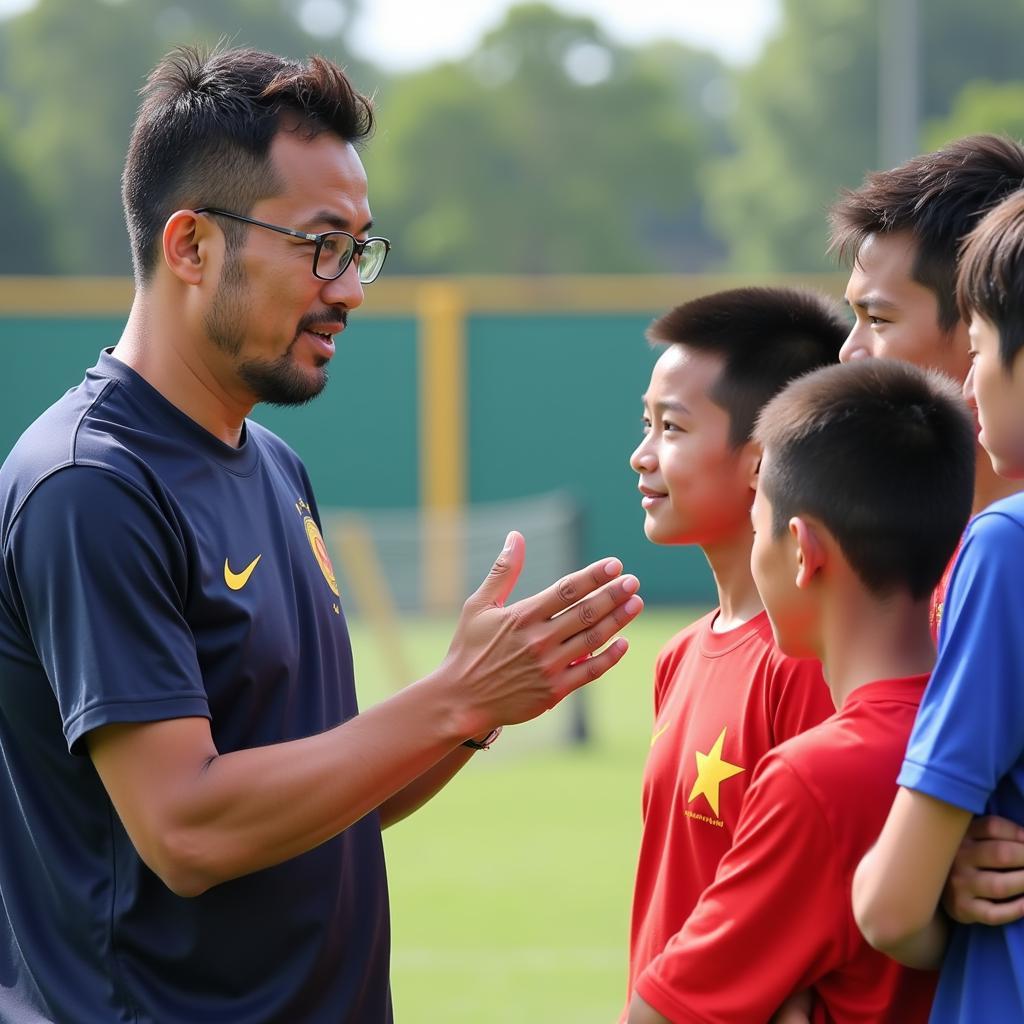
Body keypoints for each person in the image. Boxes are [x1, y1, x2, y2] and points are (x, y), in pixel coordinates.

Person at [0, 46, 644, 1023]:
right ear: (191, 247)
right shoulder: (91, 484)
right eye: (319, 244)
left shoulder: (271, 463)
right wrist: (449, 696)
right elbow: (188, 829)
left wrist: (473, 708)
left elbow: (336, 790)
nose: (349, 286)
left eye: (362, 249)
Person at [628, 358, 976, 1024]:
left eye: (757, 529)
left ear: (800, 550)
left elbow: (661, 1015)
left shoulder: (817, 777)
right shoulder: (977, 728)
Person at [623, 287, 844, 1018]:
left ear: (759, 463)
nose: (641, 455)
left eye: (673, 428)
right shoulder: (679, 654)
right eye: (646, 424)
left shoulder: (808, 661)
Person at [828, 132, 1024, 942]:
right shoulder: (871, 577)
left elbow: (884, 906)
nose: (849, 353)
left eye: (878, 317)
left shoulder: (998, 553)